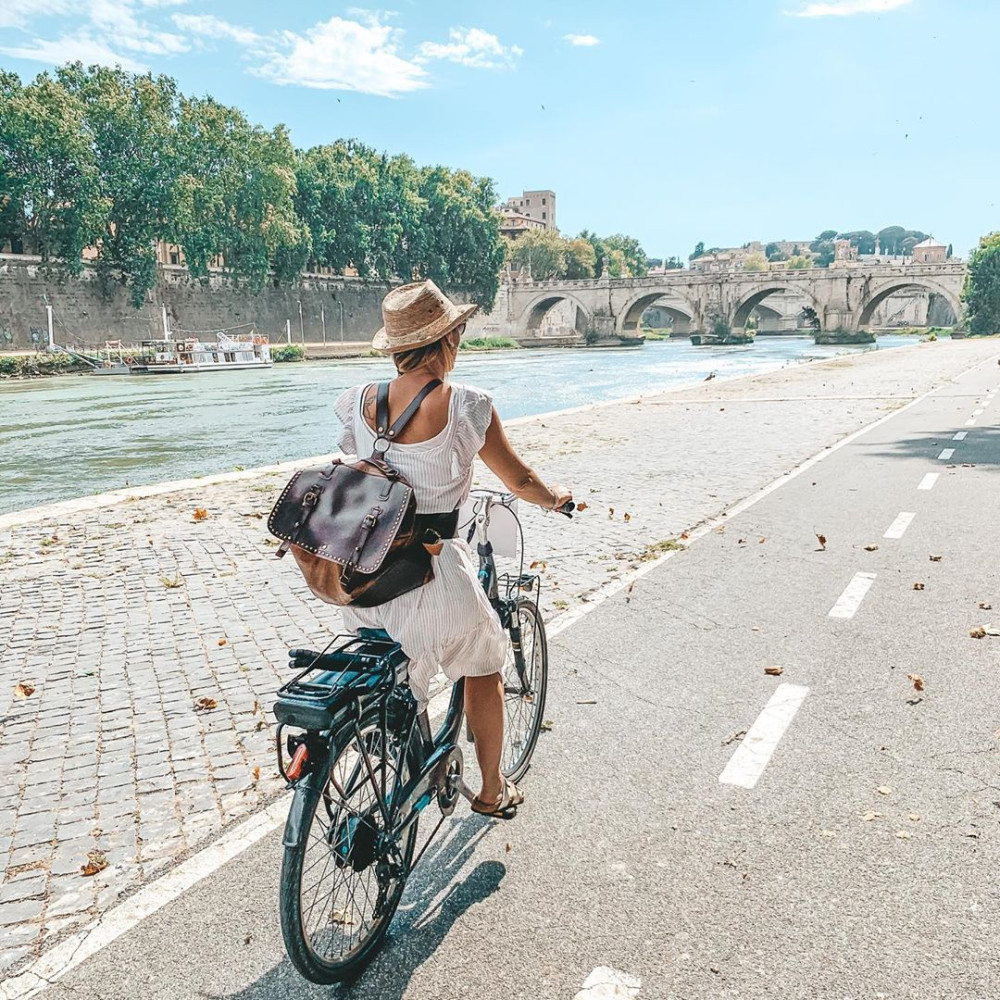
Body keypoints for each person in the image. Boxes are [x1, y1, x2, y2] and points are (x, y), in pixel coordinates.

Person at [333, 280, 571, 817]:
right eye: (458, 334)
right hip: (430, 571)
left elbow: (367, 471)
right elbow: (519, 479)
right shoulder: (465, 407)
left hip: (364, 577)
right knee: (484, 661)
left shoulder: (356, 402)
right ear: (445, 341)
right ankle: (491, 791)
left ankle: (405, 755)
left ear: (396, 347)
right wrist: (554, 499)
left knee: (393, 669)